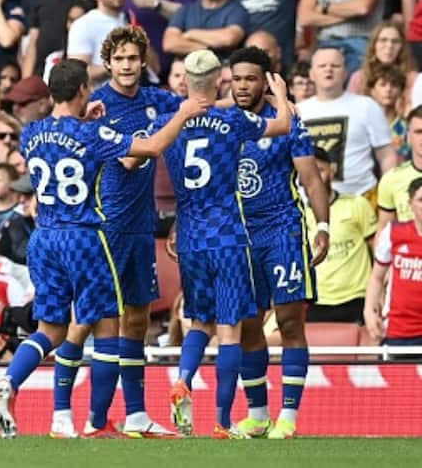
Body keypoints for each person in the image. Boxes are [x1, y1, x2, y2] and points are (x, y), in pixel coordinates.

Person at [0, 57, 209, 439]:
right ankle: (98, 420)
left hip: (43, 238)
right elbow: (153, 147)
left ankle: (13, 382)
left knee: (50, 330)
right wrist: (184, 113)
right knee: (108, 328)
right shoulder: (93, 135)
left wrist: (85, 119)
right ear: (81, 90)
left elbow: (63, 139)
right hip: (84, 236)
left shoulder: (31, 133)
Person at [50, 25, 184, 439]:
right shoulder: (97, 105)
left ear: (144, 61)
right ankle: (66, 413)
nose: (127, 66)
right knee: (87, 320)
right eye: (119, 59)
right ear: (106, 63)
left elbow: (190, 109)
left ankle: (136, 413)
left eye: (134, 58)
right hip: (104, 226)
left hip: (141, 227)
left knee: (138, 319)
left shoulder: (156, 100)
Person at [157, 50, 295, 439]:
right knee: (230, 329)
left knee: (200, 321)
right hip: (229, 237)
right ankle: (220, 419)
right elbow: (283, 124)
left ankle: (183, 380)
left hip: (189, 238)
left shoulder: (171, 123)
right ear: (220, 79)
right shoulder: (233, 119)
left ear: (185, 82)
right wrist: (279, 93)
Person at [220, 47, 330, 440]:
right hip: (239, 237)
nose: (243, 86)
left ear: (267, 80)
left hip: (282, 231)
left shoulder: (289, 121)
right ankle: (258, 414)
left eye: (251, 78)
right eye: (237, 78)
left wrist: (324, 226)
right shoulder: (223, 122)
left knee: (288, 322)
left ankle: (289, 415)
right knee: (249, 323)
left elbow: (312, 179)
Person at [297, 48, 397, 202]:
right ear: (311, 74)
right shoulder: (298, 112)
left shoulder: (367, 106)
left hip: (362, 199)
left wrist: (388, 197)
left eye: (335, 66)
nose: (328, 70)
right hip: (309, 204)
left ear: (345, 73)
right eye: (322, 66)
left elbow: (387, 155)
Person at [306, 148, 376, 324]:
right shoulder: (296, 213)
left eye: (320, 171)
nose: (315, 178)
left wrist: (378, 294)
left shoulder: (357, 205)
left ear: (332, 171)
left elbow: (378, 251)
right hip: (315, 301)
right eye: (309, 173)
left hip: (356, 299)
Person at [365, 177, 422, 348]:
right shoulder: (393, 232)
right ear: (410, 203)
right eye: (420, 200)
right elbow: (377, 277)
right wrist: (369, 311)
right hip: (399, 330)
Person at [68, 0, 130, 87]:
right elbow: (77, 73)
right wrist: (118, 65)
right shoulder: (84, 25)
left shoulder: (129, 19)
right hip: (100, 101)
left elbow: (153, 68)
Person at [378, 108, 422, 235]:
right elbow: (384, 228)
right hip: (408, 252)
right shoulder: (391, 179)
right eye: (419, 132)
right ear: (408, 137)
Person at [348, 23, 417, 98]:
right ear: (374, 45)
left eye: (395, 41)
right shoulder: (359, 78)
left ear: (402, 47)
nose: (389, 45)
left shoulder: (413, 79)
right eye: (383, 40)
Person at [0, 175, 35, 266]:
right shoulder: (13, 226)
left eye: (28, 195)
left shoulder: (64, 229)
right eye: (21, 195)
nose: (21, 200)